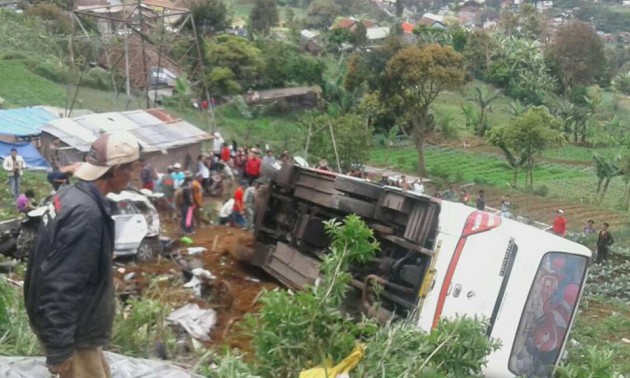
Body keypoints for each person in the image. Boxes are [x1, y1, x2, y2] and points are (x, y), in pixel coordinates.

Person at [24, 131, 140, 378]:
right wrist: (59, 347)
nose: (134, 175)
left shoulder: (70, 196)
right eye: (130, 168)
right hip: (76, 334)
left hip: (79, 328)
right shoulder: (87, 215)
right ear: (116, 169)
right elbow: (61, 283)